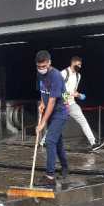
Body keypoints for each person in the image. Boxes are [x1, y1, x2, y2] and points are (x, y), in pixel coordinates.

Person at [35, 50, 69, 186]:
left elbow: (53, 101)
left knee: (49, 141)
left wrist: (42, 123)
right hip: (50, 111)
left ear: (49, 63)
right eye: (39, 66)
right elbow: (43, 91)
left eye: (44, 66)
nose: (41, 69)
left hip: (60, 112)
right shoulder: (39, 74)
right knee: (57, 141)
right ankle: (65, 166)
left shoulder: (56, 76)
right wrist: (42, 102)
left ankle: (50, 177)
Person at [60, 56, 104, 152]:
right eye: (78, 64)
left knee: (83, 121)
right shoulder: (63, 73)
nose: (79, 66)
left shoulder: (78, 76)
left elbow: (74, 90)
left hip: (72, 103)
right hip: (62, 103)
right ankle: (44, 141)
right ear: (73, 63)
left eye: (80, 65)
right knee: (57, 122)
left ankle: (93, 143)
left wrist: (79, 95)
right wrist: (65, 103)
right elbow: (60, 89)